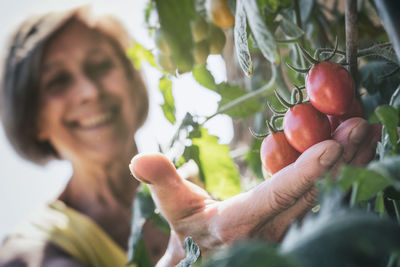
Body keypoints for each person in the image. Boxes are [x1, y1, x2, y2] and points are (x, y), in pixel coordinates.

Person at [0, 6, 380, 267]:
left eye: (100, 65)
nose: (88, 91)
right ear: (33, 119)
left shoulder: (206, 188)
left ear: (133, 82)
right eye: (58, 81)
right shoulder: (34, 245)